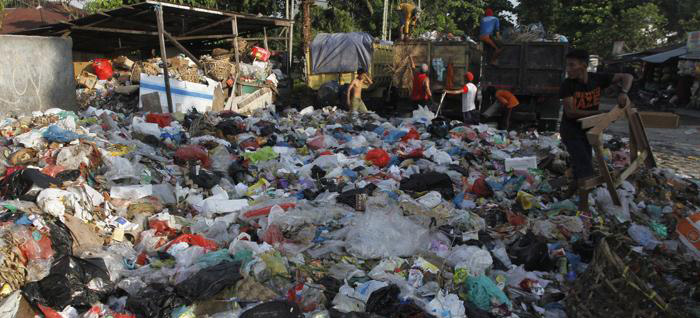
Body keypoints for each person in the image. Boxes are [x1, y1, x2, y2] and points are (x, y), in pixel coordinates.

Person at [559, 48, 633, 211]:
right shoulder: (567, 85)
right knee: (586, 169)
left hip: (588, 130)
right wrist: (599, 113)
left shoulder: (597, 79)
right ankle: (583, 208)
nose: (568, 69)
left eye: (572, 65)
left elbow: (627, 76)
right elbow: (571, 113)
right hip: (571, 131)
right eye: (567, 66)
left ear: (584, 65)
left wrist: (624, 92)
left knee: (580, 164)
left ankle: (569, 193)